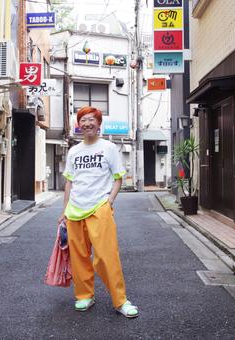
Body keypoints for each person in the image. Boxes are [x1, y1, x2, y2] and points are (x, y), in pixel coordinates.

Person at [58, 106, 139, 318]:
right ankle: (84, 295)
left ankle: (120, 301)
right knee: (79, 257)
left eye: (91, 119)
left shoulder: (109, 148)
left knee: (106, 257)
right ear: (79, 124)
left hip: (99, 208)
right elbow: (69, 183)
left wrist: (109, 202)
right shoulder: (74, 151)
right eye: (83, 120)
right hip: (75, 210)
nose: (87, 123)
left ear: (98, 123)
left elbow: (118, 178)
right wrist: (64, 210)